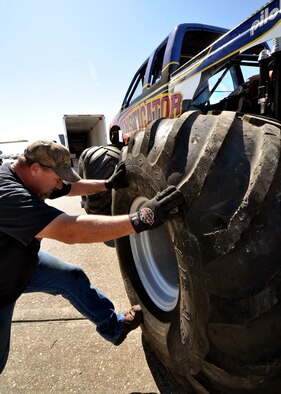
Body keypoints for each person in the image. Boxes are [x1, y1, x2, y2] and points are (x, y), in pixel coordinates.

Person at [0, 139, 184, 374]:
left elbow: (72, 188)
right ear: (35, 169)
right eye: (57, 178)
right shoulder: (7, 195)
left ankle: (114, 328)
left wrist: (108, 184)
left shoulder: (32, 178)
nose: (59, 185)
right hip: (2, 288)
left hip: (21, 263)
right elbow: (70, 230)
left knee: (71, 278)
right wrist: (141, 219)